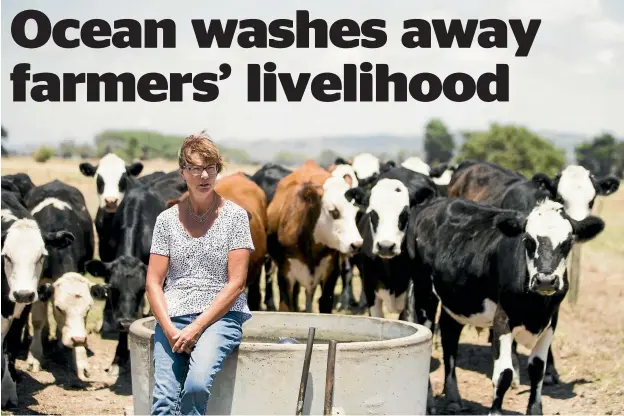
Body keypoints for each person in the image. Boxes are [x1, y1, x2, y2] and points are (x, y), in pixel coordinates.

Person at [146, 131, 254, 415]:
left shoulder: (236, 217)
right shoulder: (166, 220)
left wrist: (196, 327)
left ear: (218, 169)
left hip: (221, 317)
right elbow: (154, 283)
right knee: (164, 400)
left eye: (210, 167)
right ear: (183, 172)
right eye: (195, 168)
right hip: (174, 318)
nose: (204, 176)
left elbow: (237, 284)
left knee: (195, 386)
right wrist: (170, 329)